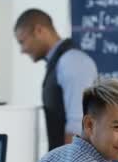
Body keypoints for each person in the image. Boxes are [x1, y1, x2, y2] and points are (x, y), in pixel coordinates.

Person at [14, 8, 98, 151]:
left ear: (39, 31)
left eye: (22, 41)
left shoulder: (72, 62)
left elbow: (78, 127)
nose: (22, 50)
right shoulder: (60, 62)